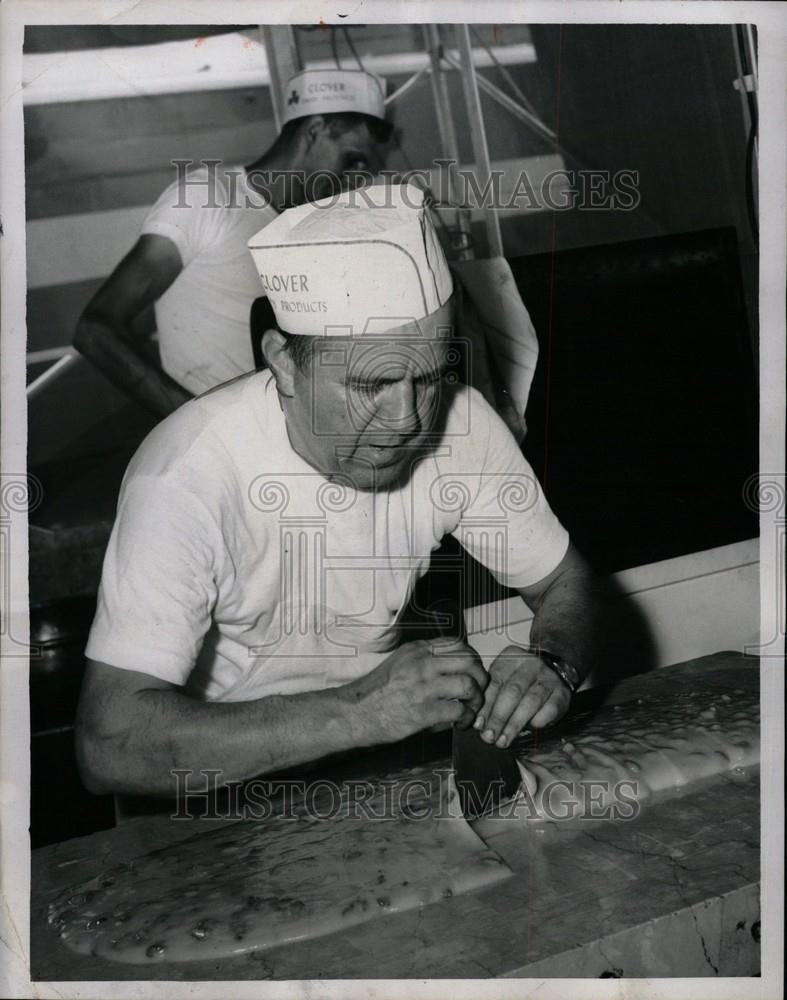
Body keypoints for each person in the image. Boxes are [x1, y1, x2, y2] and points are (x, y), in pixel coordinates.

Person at [76, 183, 602, 798]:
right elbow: (106, 746)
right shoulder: (186, 477)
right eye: (369, 385)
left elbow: (568, 582)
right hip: (207, 788)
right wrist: (360, 712)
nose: (406, 418)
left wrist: (553, 664)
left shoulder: (461, 426)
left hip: (371, 766)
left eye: (429, 376)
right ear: (284, 363)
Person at [72, 68, 392, 417]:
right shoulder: (207, 197)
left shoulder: (307, 227)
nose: (356, 178)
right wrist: (199, 425)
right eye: (350, 159)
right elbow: (96, 329)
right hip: (225, 449)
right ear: (313, 131)